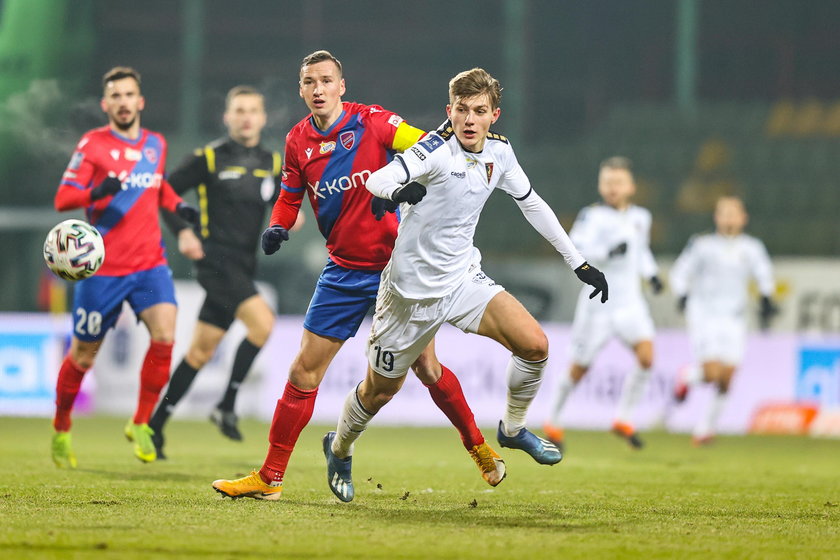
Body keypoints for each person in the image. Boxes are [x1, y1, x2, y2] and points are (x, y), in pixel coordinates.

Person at [212, 50, 503, 501]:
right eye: (309, 82)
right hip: (343, 271)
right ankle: (270, 479)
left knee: (427, 367)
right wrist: (277, 225)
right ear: (301, 89)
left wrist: (409, 185)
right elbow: (290, 196)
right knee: (303, 371)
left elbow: (427, 144)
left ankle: (479, 447)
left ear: (341, 86)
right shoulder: (296, 142)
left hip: (399, 270)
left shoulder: (374, 122)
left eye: (326, 80)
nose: (318, 89)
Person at [321, 67, 609, 502]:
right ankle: (340, 448)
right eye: (461, 110)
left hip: (461, 280)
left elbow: (532, 205)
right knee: (380, 391)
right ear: (449, 112)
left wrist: (579, 263)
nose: (469, 119)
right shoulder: (432, 150)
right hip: (408, 296)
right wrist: (399, 193)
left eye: (478, 111)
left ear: (494, 114)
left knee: (535, 345)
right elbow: (377, 181)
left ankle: (511, 429)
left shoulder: (500, 154)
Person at [50, 66, 198, 466]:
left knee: (165, 335)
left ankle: (140, 422)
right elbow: (63, 198)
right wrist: (96, 191)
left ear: (140, 101)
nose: (122, 102)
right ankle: (62, 427)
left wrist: (178, 207)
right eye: (114, 96)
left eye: (128, 94)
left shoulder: (155, 144)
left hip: (150, 264)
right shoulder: (93, 145)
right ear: (106, 104)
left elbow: (157, 185)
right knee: (83, 356)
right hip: (103, 271)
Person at [148, 86, 301, 458]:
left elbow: (285, 204)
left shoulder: (272, 161)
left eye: (253, 110)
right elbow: (163, 190)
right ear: (227, 117)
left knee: (200, 351)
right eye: (239, 110)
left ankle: (154, 427)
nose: (246, 116)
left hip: (244, 265)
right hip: (215, 262)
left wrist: (287, 221)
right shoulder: (210, 158)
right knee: (263, 323)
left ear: (262, 118)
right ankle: (227, 403)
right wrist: (184, 230)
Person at [543, 157, 661, 451]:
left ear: (631, 186)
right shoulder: (590, 216)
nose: (612, 188)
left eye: (618, 182)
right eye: (607, 182)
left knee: (646, 357)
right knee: (579, 367)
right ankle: (553, 421)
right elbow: (576, 247)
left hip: (630, 302)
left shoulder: (640, 217)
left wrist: (652, 274)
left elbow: (640, 251)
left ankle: (623, 418)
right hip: (598, 303)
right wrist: (608, 251)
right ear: (600, 184)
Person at [670, 196, 777, 446]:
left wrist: (766, 297)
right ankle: (687, 376)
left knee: (727, 377)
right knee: (711, 373)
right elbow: (681, 270)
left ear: (743, 218)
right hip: (704, 315)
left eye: (733, 214)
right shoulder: (702, 244)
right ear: (716, 217)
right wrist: (682, 294)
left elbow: (764, 273)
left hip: (735, 318)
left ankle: (705, 429)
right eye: (724, 214)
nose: (729, 219)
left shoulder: (752, 247)